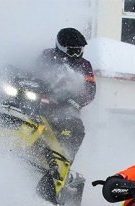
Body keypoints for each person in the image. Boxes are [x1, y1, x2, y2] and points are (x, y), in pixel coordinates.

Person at [35, 27, 96, 160]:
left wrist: (74, 101)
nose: (75, 55)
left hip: (66, 106)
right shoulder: (47, 56)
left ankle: (65, 159)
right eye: (72, 51)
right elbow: (34, 74)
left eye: (78, 51)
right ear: (61, 47)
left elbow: (90, 90)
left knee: (76, 129)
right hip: (40, 101)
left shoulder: (85, 65)